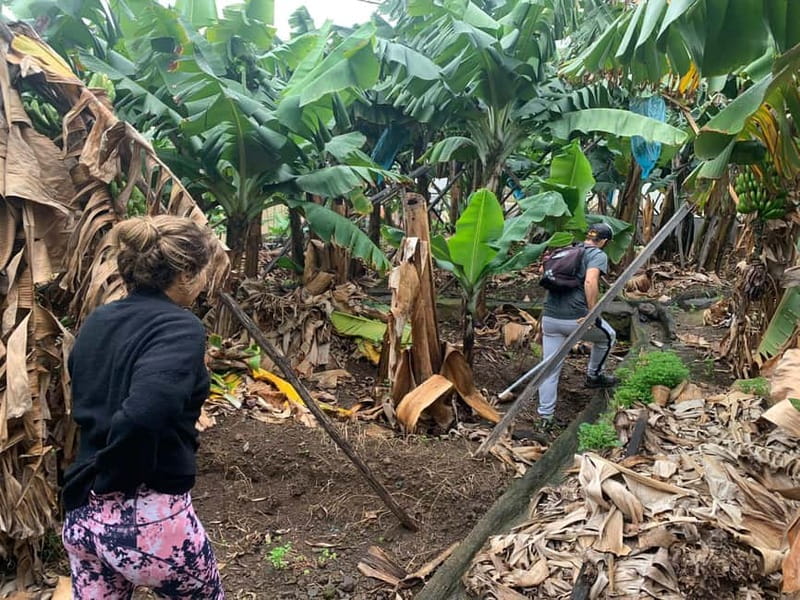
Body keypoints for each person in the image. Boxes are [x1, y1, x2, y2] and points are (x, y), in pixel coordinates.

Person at [61, 216, 224, 599]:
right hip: (147, 521)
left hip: (81, 517)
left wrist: (97, 489)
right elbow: (143, 415)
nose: (204, 285)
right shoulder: (180, 328)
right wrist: (114, 484)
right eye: (203, 273)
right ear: (185, 273)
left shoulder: (99, 320)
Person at [538, 223, 617, 425]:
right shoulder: (597, 255)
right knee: (608, 336)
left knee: (549, 369)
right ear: (605, 241)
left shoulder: (566, 250)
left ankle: (545, 418)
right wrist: (591, 313)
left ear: (588, 236)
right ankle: (594, 375)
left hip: (550, 319)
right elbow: (590, 282)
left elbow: (543, 271)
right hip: (575, 318)